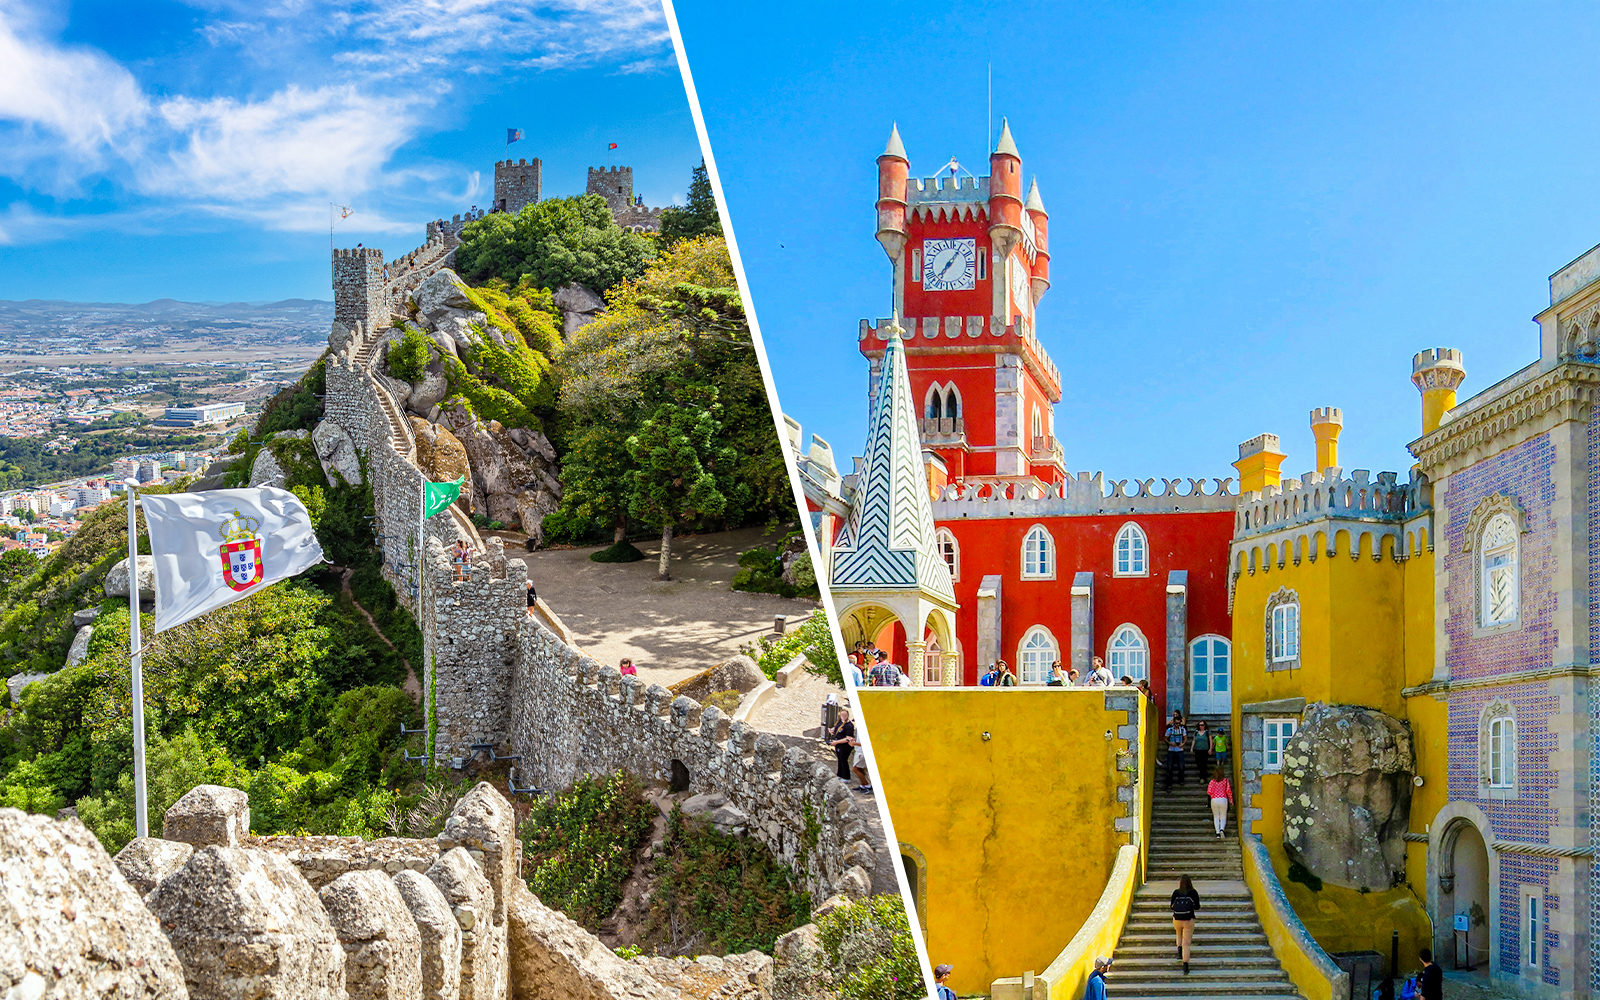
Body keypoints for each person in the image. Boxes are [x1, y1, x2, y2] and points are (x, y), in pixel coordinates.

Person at [1170, 874, 1200, 974]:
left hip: (1177, 919)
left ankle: (1179, 953)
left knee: (1178, 933)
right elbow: (1197, 907)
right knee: (1186, 943)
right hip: (1188, 919)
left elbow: (1171, 906)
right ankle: (1185, 966)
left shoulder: (1176, 892)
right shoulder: (1193, 892)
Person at [827, 709, 856, 781]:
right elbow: (837, 729)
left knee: (843, 760)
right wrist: (832, 730)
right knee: (840, 760)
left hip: (845, 746)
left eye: (844, 715)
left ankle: (846, 777)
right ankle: (840, 774)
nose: (843, 716)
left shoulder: (849, 725)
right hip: (839, 745)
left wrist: (836, 742)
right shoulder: (840, 722)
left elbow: (848, 738)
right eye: (842, 715)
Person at [1163, 712, 1188, 790]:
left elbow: (1185, 738)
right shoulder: (1170, 730)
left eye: (1178, 723)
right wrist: (1170, 743)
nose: (1177, 725)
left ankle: (1181, 780)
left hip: (1179, 750)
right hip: (1171, 750)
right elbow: (1165, 738)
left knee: (1181, 767)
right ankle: (1169, 783)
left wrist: (1182, 744)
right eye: (1176, 723)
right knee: (1169, 768)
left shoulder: (1182, 729)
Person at [1207, 764, 1233, 838]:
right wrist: (1231, 800)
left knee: (1216, 816)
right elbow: (1228, 791)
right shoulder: (1225, 781)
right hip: (1223, 799)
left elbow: (1209, 791)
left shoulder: (1212, 781)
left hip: (1214, 799)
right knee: (1223, 816)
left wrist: (1213, 796)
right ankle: (1222, 829)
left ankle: (1217, 833)